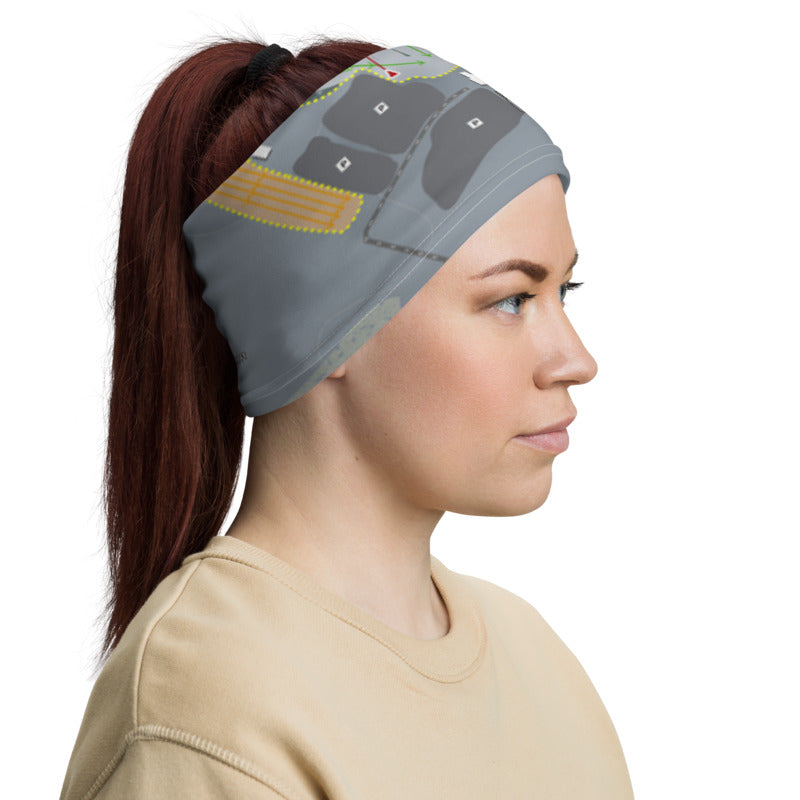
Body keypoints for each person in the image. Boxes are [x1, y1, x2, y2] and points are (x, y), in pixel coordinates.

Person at [59, 36, 634, 799]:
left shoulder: (537, 663)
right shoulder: (210, 706)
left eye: (566, 292)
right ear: (324, 327)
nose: (575, 359)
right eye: (510, 300)